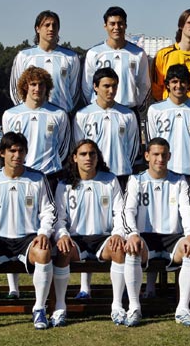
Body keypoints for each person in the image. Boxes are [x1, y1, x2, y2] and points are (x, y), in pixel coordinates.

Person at [0, 132, 55, 331]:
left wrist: (44, 232)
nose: (17, 155)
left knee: (43, 252)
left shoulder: (37, 179)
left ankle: (39, 308)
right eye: (12, 151)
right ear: (2, 154)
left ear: (26, 153)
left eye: (20, 151)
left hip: (28, 238)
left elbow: (49, 211)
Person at [51, 139, 141, 327]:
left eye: (92, 154)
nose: (88, 158)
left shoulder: (109, 180)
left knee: (118, 249)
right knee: (62, 252)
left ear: (98, 157)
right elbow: (59, 218)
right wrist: (63, 235)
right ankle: (60, 307)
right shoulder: (64, 184)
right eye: (83, 154)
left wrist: (118, 233)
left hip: (103, 238)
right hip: (76, 238)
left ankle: (116, 306)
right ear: (74, 158)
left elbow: (120, 212)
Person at [3, 66, 70, 300]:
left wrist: (48, 169)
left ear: (47, 88)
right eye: (32, 84)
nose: (37, 88)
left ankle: (46, 286)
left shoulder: (58, 115)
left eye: (41, 84)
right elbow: (9, 147)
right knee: (16, 225)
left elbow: (62, 148)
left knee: (47, 229)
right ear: (25, 87)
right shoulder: (11, 115)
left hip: (49, 177)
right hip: (22, 178)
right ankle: (14, 287)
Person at [123, 138, 190, 327]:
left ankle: (183, 309)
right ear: (147, 156)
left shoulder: (179, 180)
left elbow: (187, 209)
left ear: (169, 156)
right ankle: (134, 308)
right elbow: (128, 210)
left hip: (172, 237)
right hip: (145, 236)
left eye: (164, 155)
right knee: (133, 249)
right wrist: (132, 233)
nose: (160, 159)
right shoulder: (136, 180)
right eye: (156, 154)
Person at [147, 64, 190, 195]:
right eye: (174, 82)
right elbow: (152, 143)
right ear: (167, 85)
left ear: (189, 85)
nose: (179, 85)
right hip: (166, 173)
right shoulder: (155, 110)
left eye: (183, 82)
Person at [74, 67, 140, 191]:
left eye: (114, 86)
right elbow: (78, 147)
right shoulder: (82, 115)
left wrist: (122, 164)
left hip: (121, 175)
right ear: (95, 86)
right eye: (106, 86)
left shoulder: (128, 115)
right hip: (94, 176)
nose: (111, 90)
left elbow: (132, 148)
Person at [10, 10, 81, 113]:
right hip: (29, 115)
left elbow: (74, 92)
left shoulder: (71, 57)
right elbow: (15, 89)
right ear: (37, 28)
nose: (51, 28)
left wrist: (64, 112)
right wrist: (25, 110)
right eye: (47, 25)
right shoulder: (24, 56)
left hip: (61, 117)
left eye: (54, 25)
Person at [82, 6, 151, 109]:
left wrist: (138, 106)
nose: (117, 27)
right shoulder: (94, 53)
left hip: (128, 110)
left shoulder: (138, 54)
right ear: (105, 26)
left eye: (120, 23)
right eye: (112, 24)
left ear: (125, 25)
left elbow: (144, 85)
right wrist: (93, 107)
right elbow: (87, 86)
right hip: (100, 110)